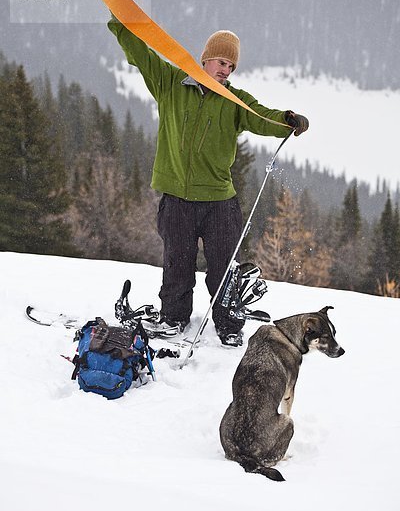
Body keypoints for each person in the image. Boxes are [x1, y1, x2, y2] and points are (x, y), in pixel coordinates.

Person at [108, 18, 309, 346]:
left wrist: (287, 120)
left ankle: (229, 326)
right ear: (204, 59)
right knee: (177, 265)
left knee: (223, 270)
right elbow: (140, 53)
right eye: (221, 62)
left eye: (231, 65)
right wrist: (120, 21)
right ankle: (173, 319)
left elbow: (262, 117)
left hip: (219, 203)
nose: (226, 70)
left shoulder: (235, 100)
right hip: (176, 199)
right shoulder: (170, 83)